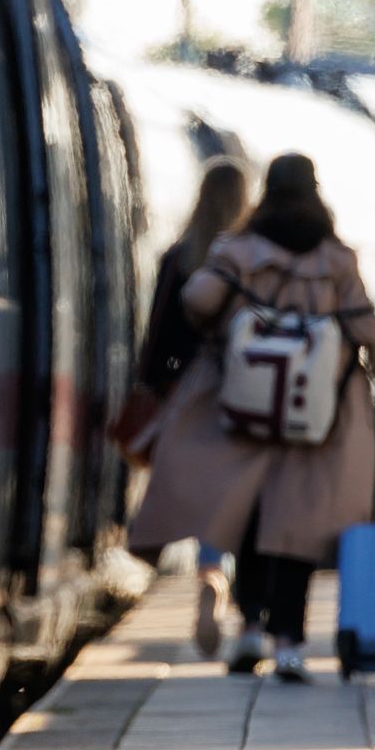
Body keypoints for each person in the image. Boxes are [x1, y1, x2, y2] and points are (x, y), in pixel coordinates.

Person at [129, 153, 375, 683]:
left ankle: (249, 629)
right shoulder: (337, 259)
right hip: (320, 417)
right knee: (297, 532)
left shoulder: (236, 250)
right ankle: (289, 644)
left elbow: (197, 300)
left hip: (246, 406)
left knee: (252, 522)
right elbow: (370, 332)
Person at [136, 158, 249, 656]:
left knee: (203, 493)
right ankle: (228, 578)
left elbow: (158, 336)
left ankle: (210, 574)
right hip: (250, 393)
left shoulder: (179, 258)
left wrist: (155, 388)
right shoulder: (250, 258)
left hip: (191, 393)